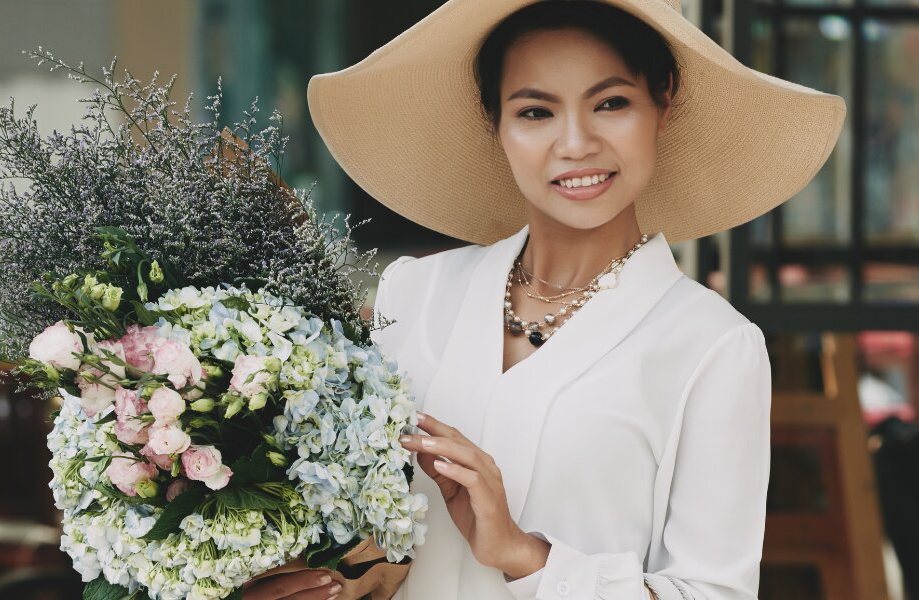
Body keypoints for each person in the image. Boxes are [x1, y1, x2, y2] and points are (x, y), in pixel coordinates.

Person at [245, 0, 846, 598]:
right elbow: (356, 531)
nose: (576, 143)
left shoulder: (713, 346)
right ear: (495, 123)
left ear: (662, 104)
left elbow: (716, 593)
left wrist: (525, 556)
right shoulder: (414, 296)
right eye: (536, 111)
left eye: (611, 103)